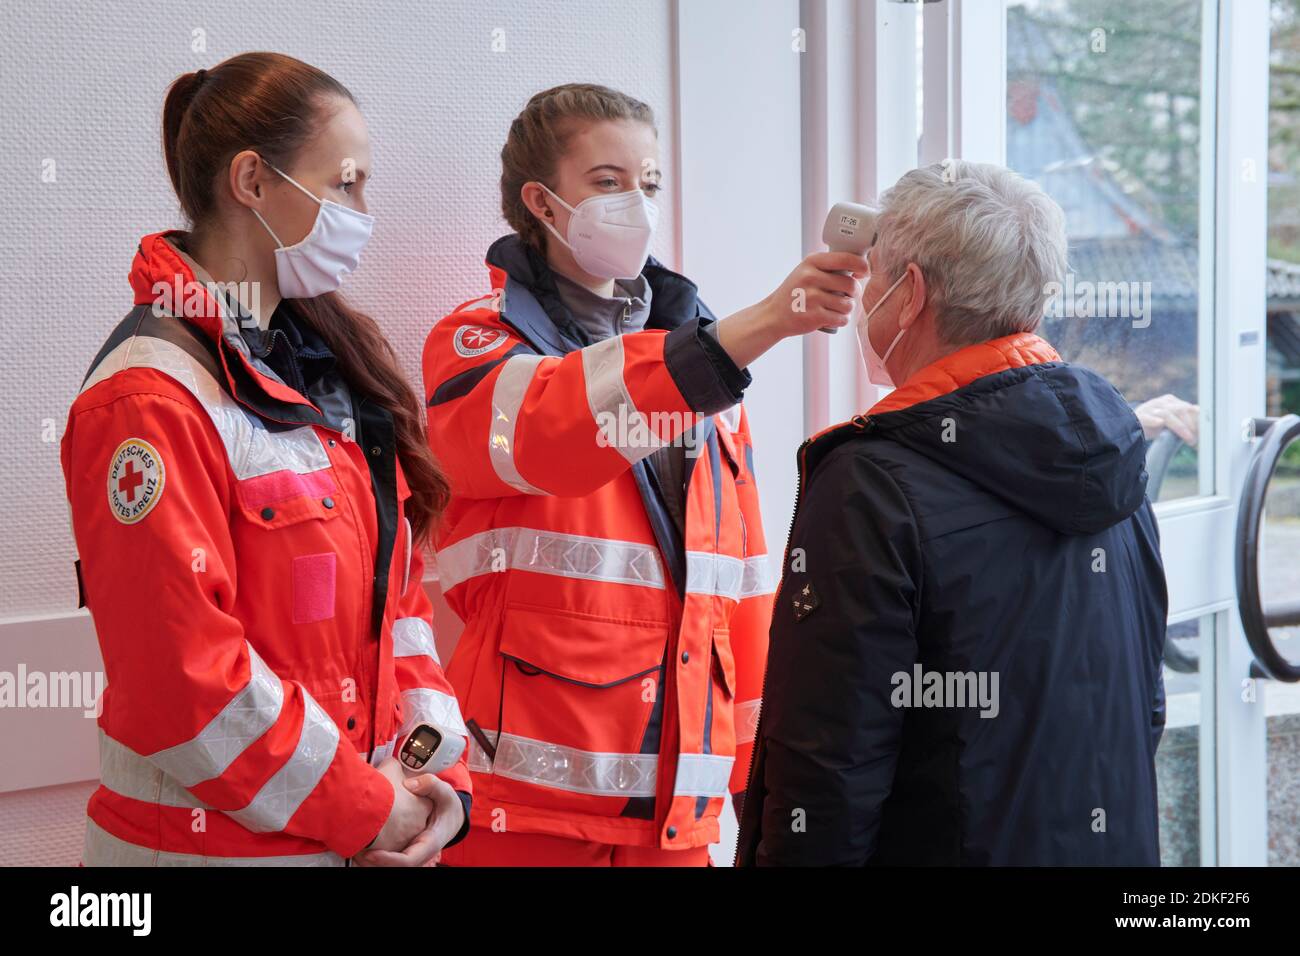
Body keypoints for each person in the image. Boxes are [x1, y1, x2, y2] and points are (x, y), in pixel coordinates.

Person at [422, 83, 867, 865]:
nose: (637, 202)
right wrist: (759, 325)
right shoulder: (475, 346)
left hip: (677, 819)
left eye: (650, 183)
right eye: (608, 181)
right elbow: (557, 432)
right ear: (542, 201)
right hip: (521, 814)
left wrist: (764, 795)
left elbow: (745, 595)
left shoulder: (708, 372)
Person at [61, 52, 471, 866]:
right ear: (251, 181)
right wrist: (370, 810)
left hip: (354, 839)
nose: (364, 211)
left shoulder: (323, 373)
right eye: (347, 184)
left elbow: (400, 617)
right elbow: (184, 683)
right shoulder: (149, 398)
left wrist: (435, 780)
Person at [736, 160, 1168, 866]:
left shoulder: (871, 483)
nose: (862, 292)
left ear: (908, 295)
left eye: (873, 275)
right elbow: (1142, 708)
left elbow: (826, 772)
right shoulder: (1111, 447)